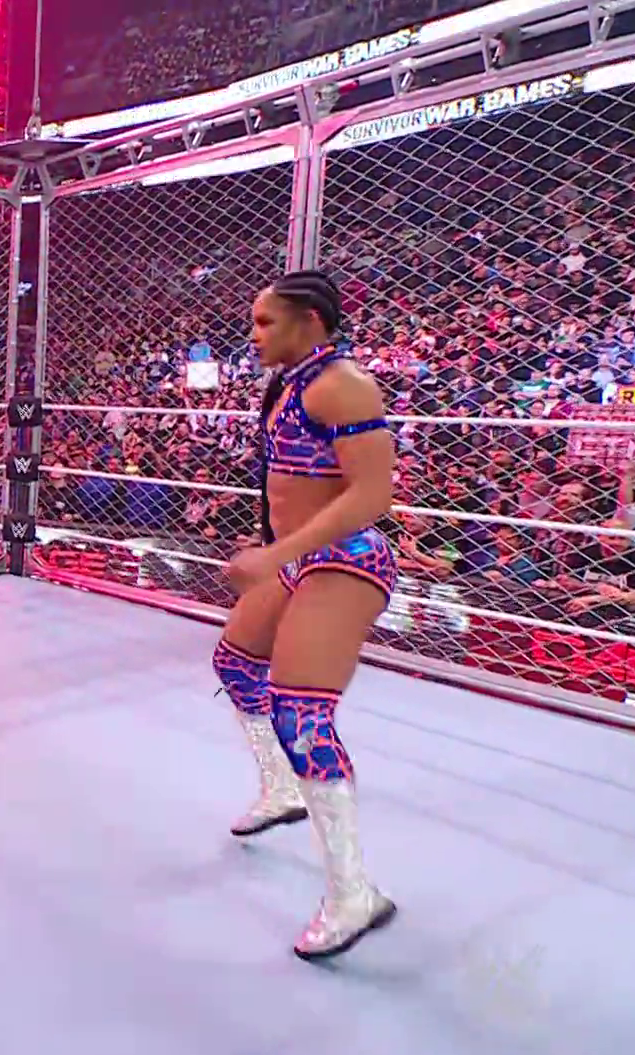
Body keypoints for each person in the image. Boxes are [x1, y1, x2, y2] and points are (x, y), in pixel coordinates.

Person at [212, 270, 399, 961]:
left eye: (265, 321)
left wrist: (276, 554)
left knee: (301, 711)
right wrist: (275, 551)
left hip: (346, 560)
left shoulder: (341, 385)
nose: (253, 334)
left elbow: (373, 495)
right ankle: (285, 786)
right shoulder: (293, 384)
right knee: (236, 664)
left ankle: (354, 894)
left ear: (311, 320)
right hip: (297, 558)